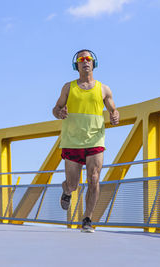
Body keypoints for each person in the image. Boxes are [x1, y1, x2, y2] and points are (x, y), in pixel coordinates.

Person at [52, 49, 120, 233]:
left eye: (89, 59)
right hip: (72, 141)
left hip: (95, 140)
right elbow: (56, 109)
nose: (85, 62)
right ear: (77, 65)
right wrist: (60, 112)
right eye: (81, 59)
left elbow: (114, 110)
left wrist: (114, 116)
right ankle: (66, 190)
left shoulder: (104, 89)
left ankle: (88, 219)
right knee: (73, 184)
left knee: (94, 178)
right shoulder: (68, 87)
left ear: (94, 63)